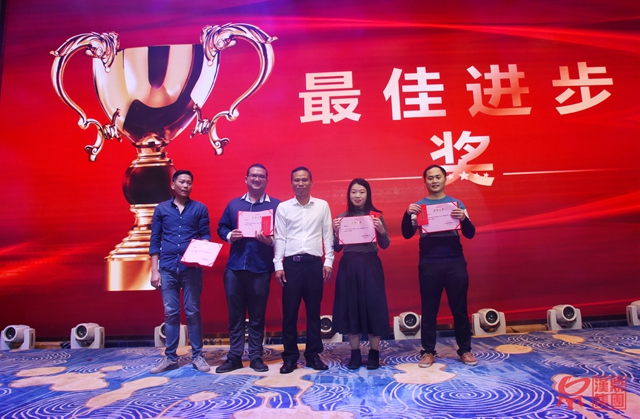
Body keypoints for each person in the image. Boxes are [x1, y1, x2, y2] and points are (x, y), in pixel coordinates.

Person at [401, 164, 478, 368]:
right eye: (430, 178)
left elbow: (470, 233)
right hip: (429, 264)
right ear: (424, 181)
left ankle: (465, 350)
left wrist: (464, 218)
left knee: (460, 309)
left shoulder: (456, 204)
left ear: (445, 179)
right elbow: (407, 234)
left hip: (455, 262)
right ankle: (428, 351)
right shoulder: (419, 207)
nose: (434, 181)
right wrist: (407, 214)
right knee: (429, 310)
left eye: (438, 177)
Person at [216, 164, 280, 373]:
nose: (257, 179)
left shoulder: (276, 206)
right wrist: (229, 235)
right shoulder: (234, 204)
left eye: (261, 176)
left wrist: (269, 241)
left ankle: (255, 356)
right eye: (253, 176)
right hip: (234, 268)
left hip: (260, 268)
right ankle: (234, 356)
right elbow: (221, 227)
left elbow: (282, 235)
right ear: (246, 179)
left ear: (267, 180)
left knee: (257, 315)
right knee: (235, 315)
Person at [149, 170, 212, 374]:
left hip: (191, 269)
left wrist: (202, 248)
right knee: (171, 313)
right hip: (167, 268)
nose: (186, 185)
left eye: (189, 183)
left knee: (193, 311)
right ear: (173, 184)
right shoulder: (161, 209)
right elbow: (155, 240)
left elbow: (206, 235)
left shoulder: (200, 208)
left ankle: (198, 356)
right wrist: (154, 271)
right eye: (182, 182)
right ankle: (170, 358)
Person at [273, 166, 334, 374]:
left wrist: (328, 261)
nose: (300, 183)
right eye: (297, 180)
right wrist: (278, 264)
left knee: (314, 312)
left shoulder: (322, 206)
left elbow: (328, 235)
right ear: (291, 183)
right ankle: (290, 357)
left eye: (304, 180)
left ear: (311, 182)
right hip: (291, 265)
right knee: (289, 313)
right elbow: (280, 237)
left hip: (314, 264)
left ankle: (313, 355)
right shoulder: (283, 208)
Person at [331, 178, 390, 370]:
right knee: (351, 308)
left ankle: (374, 353)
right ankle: (355, 354)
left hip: (370, 265)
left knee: (374, 307)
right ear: (349, 195)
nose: (357, 196)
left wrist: (381, 230)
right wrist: (335, 232)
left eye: (362, 192)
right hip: (349, 266)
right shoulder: (342, 217)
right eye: (354, 192)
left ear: (368, 194)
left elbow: (385, 245)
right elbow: (337, 248)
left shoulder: (375, 216)